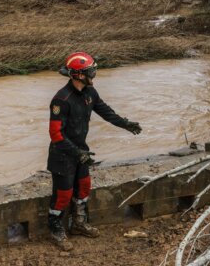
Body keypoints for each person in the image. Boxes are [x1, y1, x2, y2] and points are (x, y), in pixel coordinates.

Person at [47, 51, 142, 250]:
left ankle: (78, 224)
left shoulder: (91, 93)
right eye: (90, 72)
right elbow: (55, 134)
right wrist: (77, 153)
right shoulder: (61, 99)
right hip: (62, 155)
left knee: (84, 186)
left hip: (82, 152)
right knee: (63, 194)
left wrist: (126, 124)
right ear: (78, 75)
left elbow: (106, 112)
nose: (94, 75)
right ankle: (56, 230)